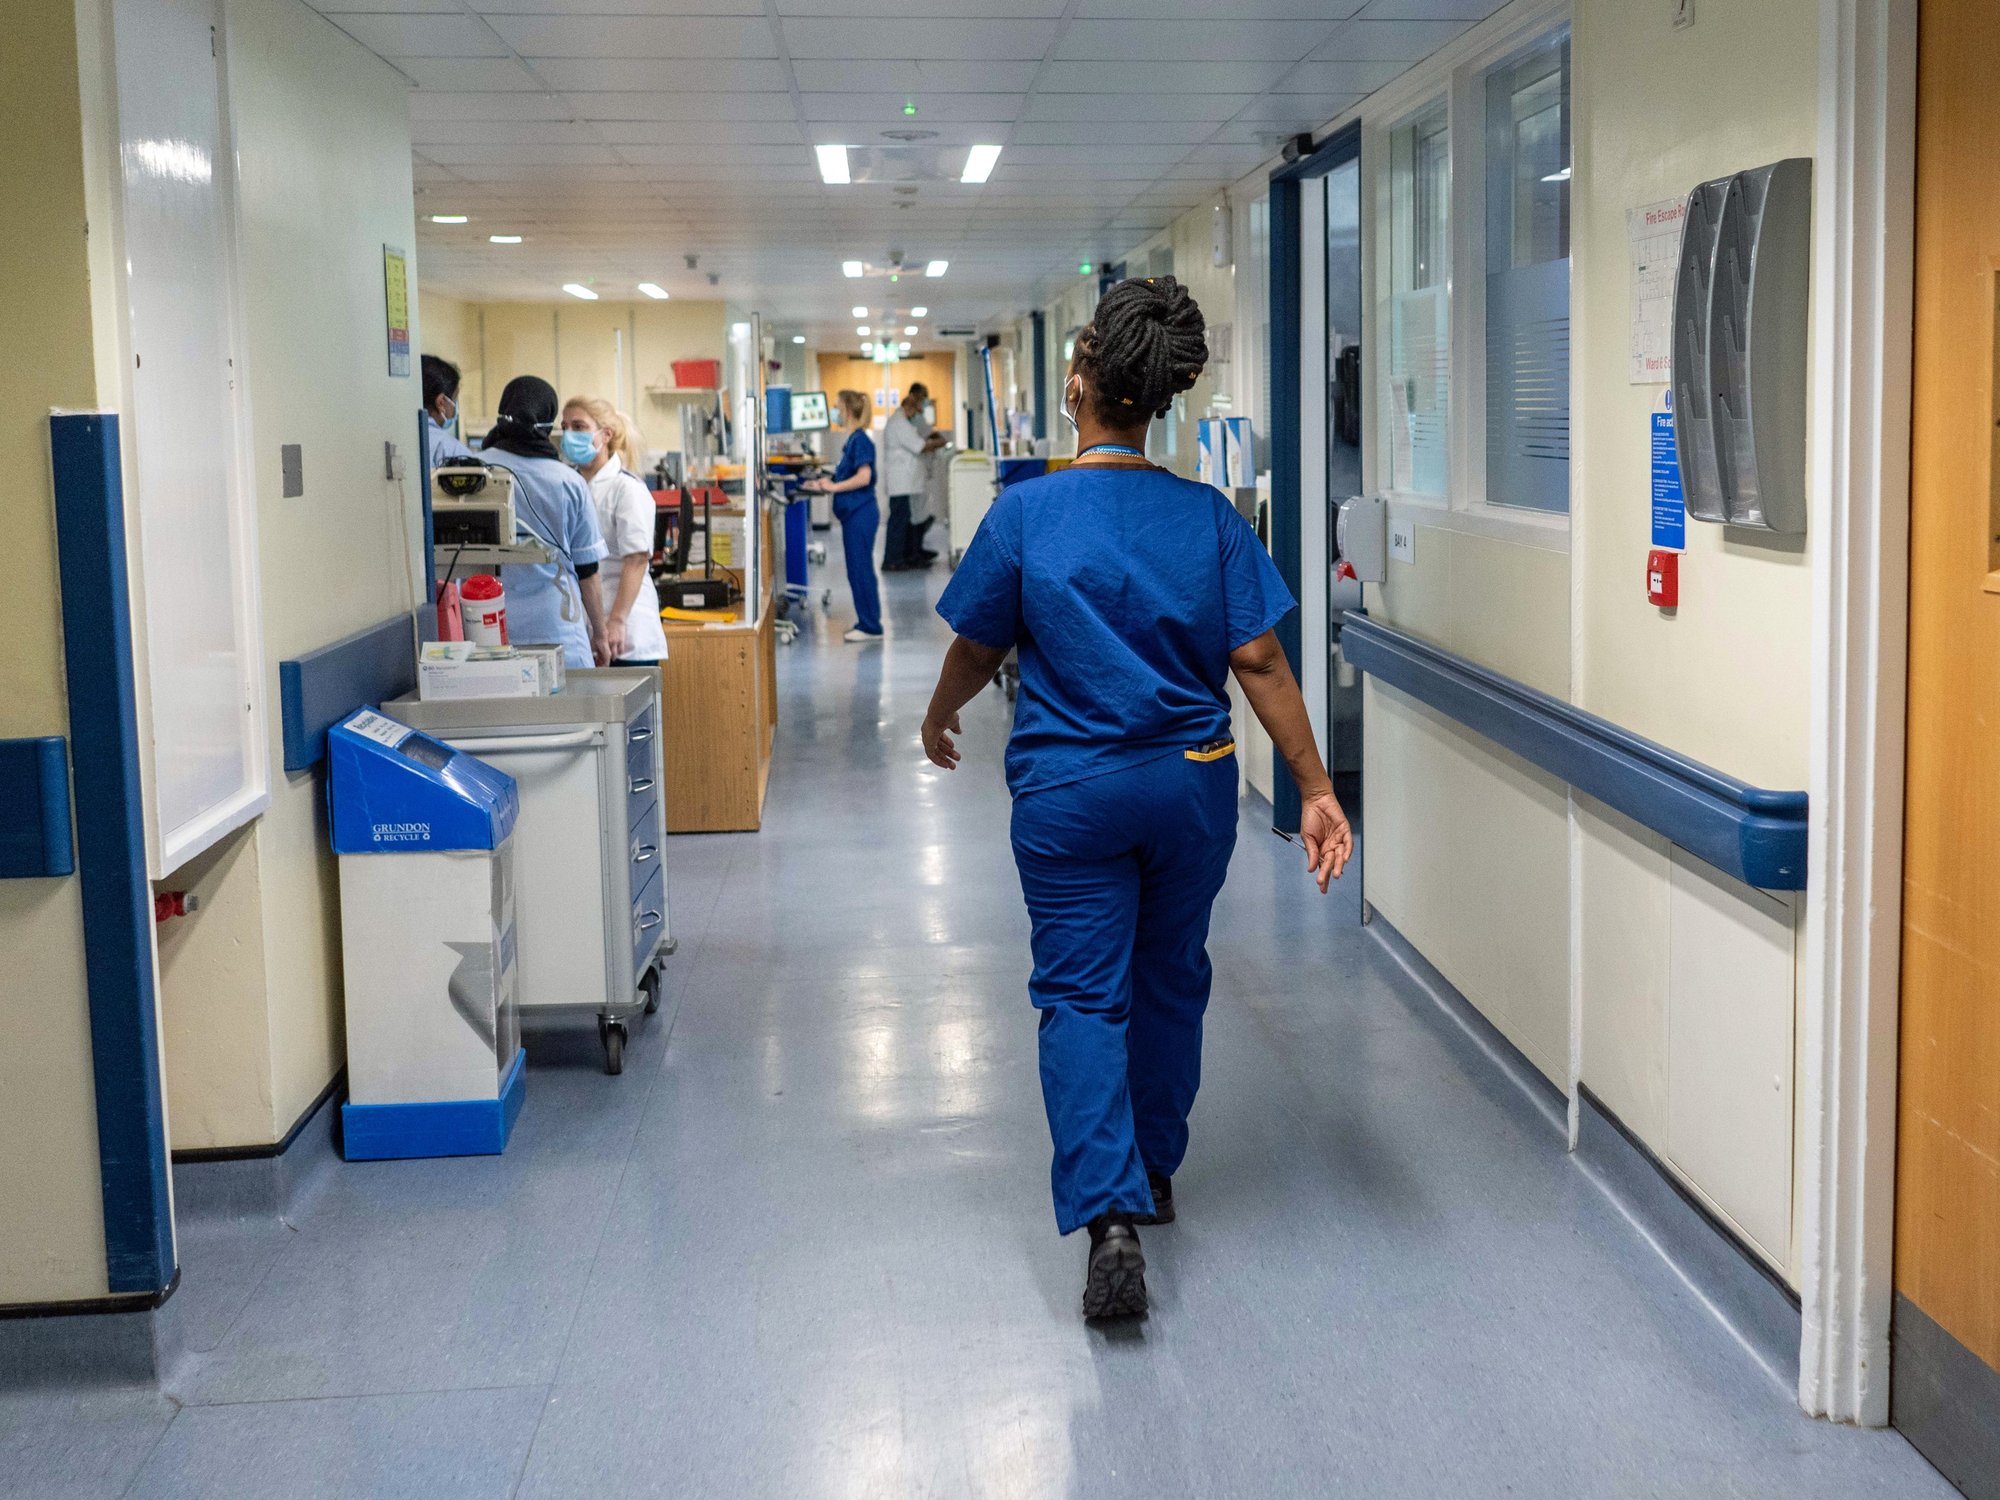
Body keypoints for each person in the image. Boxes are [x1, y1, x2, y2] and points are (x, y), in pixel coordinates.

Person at [920, 276, 1354, 1320]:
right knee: (1168, 978)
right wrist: (1314, 789)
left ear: (1078, 389)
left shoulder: (1025, 512)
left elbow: (979, 643)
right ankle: (1154, 1171)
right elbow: (1256, 660)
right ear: (1156, 399)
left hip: (1069, 791)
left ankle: (1106, 1214)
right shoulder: (1204, 516)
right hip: (1189, 789)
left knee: (1079, 993)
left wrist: (938, 715)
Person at [478, 375, 610, 670]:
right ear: (547, 422)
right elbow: (587, 569)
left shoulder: (476, 471)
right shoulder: (568, 481)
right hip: (557, 626)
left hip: (488, 625)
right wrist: (600, 635)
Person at [559, 395, 669, 664]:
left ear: (605, 434)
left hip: (625, 627)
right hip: (586, 628)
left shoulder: (626, 488)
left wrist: (617, 621)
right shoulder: (569, 485)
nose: (569, 434)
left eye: (579, 427)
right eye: (565, 427)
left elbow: (637, 558)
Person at [802, 390, 882, 643]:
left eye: (837, 407)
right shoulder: (853, 441)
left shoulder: (860, 440)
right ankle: (867, 621)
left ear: (847, 410)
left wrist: (833, 488)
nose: (834, 411)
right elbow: (847, 474)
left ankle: (871, 626)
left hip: (861, 513)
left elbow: (864, 477)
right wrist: (826, 482)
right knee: (858, 570)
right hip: (855, 514)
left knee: (861, 570)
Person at [881, 382, 946, 571]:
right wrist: (938, 443)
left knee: (906, 520)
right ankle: (892, 560)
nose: (917, 412)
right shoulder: (899, 423)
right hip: (900, 482)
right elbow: (919, 445)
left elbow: (924, 435)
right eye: (916, 407)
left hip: (907, 482)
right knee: (899, 521)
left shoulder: (904, 421)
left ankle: (904, 555)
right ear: (909, 406)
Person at [422, 354, 474, 470]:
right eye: (455, 399)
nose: (456, 408)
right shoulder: (452, 450)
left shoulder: (396, 437)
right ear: (441, 403)